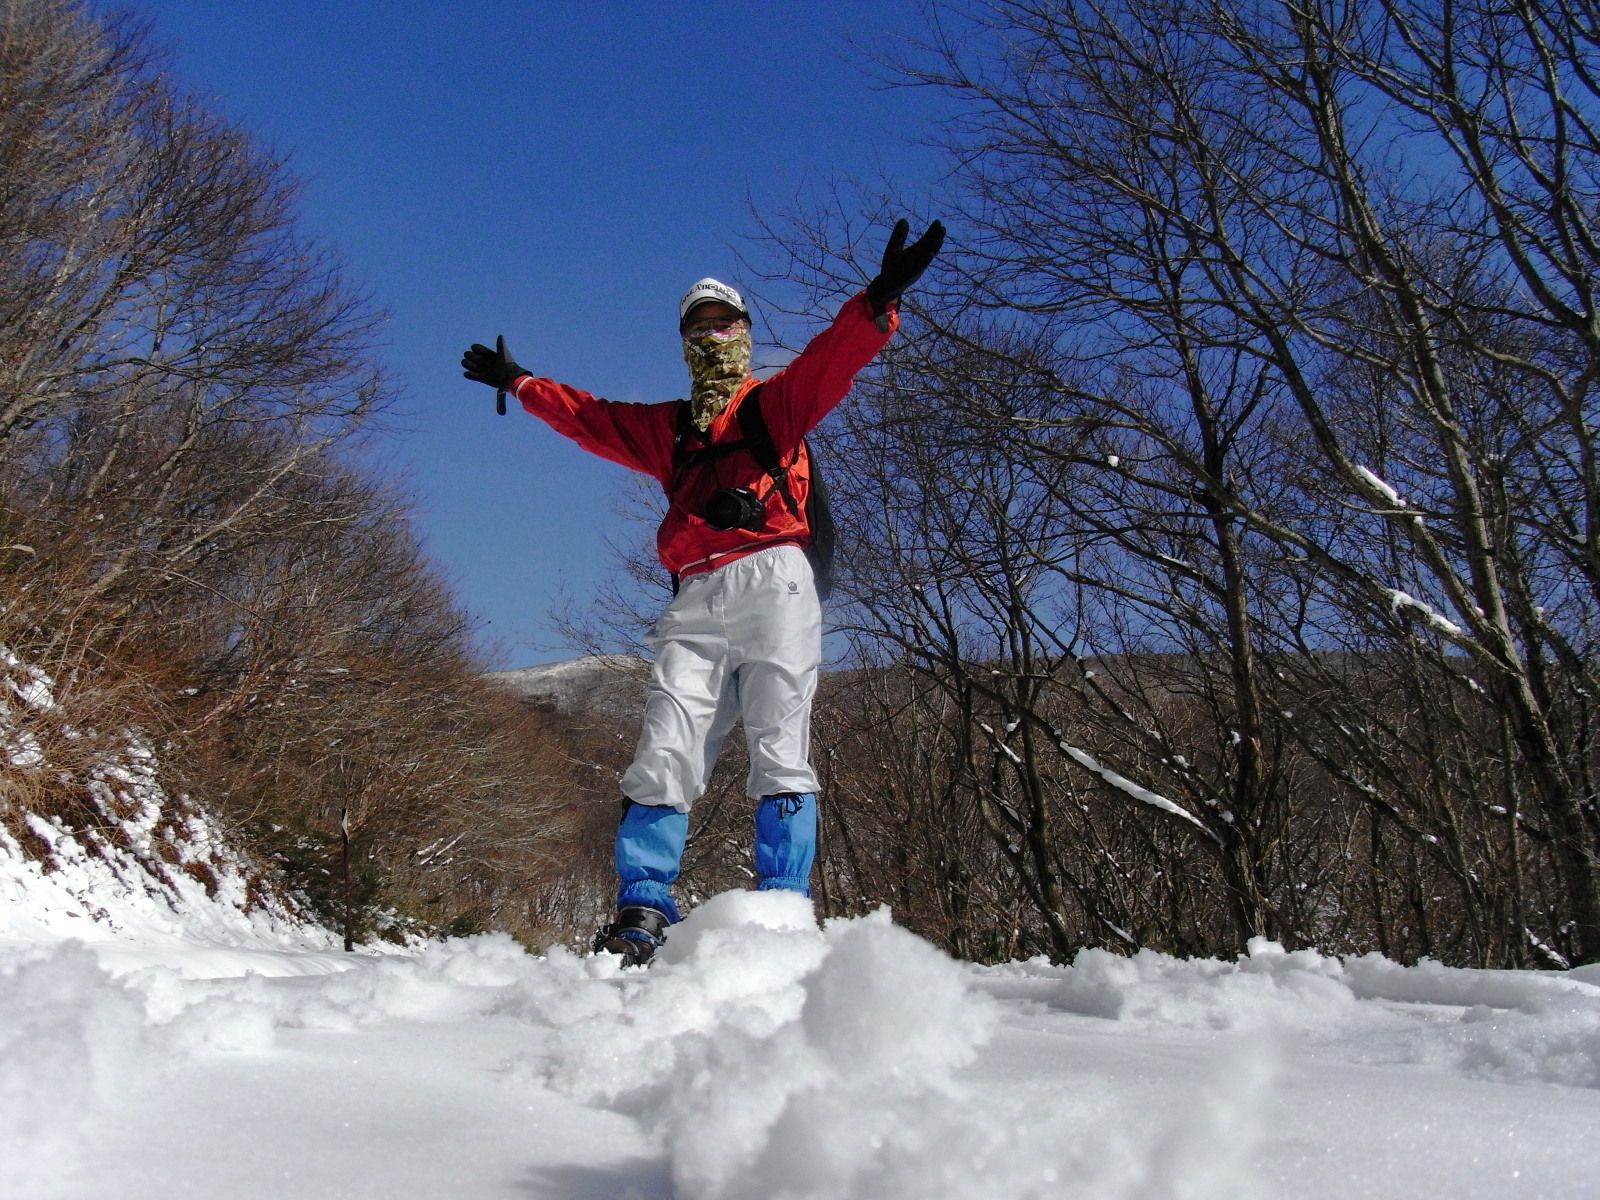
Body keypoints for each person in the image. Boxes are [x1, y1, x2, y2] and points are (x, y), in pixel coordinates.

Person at [461, 218, 945, 964]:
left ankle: (782, 904)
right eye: (698, 326)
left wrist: (876, 302)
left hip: (775, 580)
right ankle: (643, 902)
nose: (712, 336)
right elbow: (591, 418)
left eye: (724, 323)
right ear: (683, 340)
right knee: (665, 740)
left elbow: (831, 361)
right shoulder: (674, 429)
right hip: (695, 592)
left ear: (744, 331)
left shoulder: (772, 406)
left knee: (780, 741)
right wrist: (520, 382)